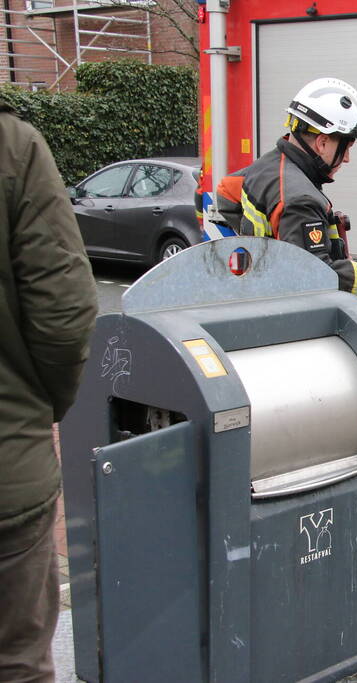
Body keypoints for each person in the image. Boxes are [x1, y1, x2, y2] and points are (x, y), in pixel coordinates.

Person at [0, 105, 98, 681]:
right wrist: (42, 410)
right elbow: (64, 317)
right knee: (15, 661)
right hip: (8, 471)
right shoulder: (12, 147)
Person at [215, 77, 357, 299]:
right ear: (322, 143)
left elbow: (226, 194)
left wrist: (262, 252)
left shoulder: (269, 166)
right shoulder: (300, 198)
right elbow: (316, 273)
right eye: (346, 148)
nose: (347, 159)